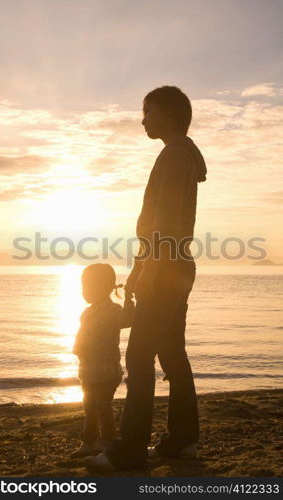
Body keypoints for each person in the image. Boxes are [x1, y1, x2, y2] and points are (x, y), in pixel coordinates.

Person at [85, 86, 207, 472]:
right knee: (172, 354)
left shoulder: (173, 155)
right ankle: (183, 441)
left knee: (139, 357)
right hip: (175, 265)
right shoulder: (183, 155)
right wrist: (141, 268)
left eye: (148, 111)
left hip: (166, 266)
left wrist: (150, 269)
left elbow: (165, 220)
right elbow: (164, 224)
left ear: (169, 113)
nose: (143, 119)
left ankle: (130, 449)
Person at [72, 263, 134, 457]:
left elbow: (127, 320)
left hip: (107, 370)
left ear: (106, 287)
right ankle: (88, 441)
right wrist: (79, 351)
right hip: (89, 369)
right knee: (89, 405)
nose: (85, 291)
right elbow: (81, 337)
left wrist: (130, 300)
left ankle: (107, 440)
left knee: (102, 404)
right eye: (84, 286)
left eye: (89, 286)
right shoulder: (86, 313)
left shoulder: (113, 310)